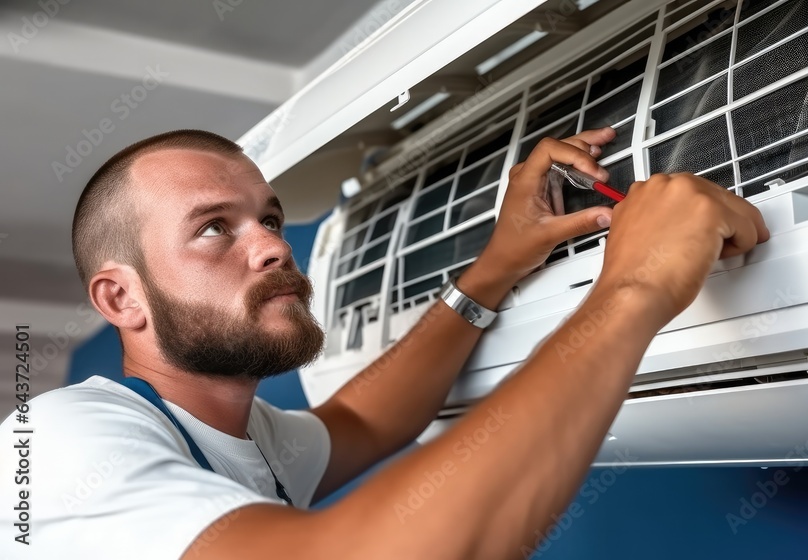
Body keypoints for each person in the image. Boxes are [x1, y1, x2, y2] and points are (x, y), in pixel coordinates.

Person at [0, 127, 767, 559]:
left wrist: (498, 265)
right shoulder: (61, 445)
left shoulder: (245, 432)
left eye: (268, 218)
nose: (272, 247)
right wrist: (637, 288)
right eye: (213, 229)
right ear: (119, 298)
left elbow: (367, 424)